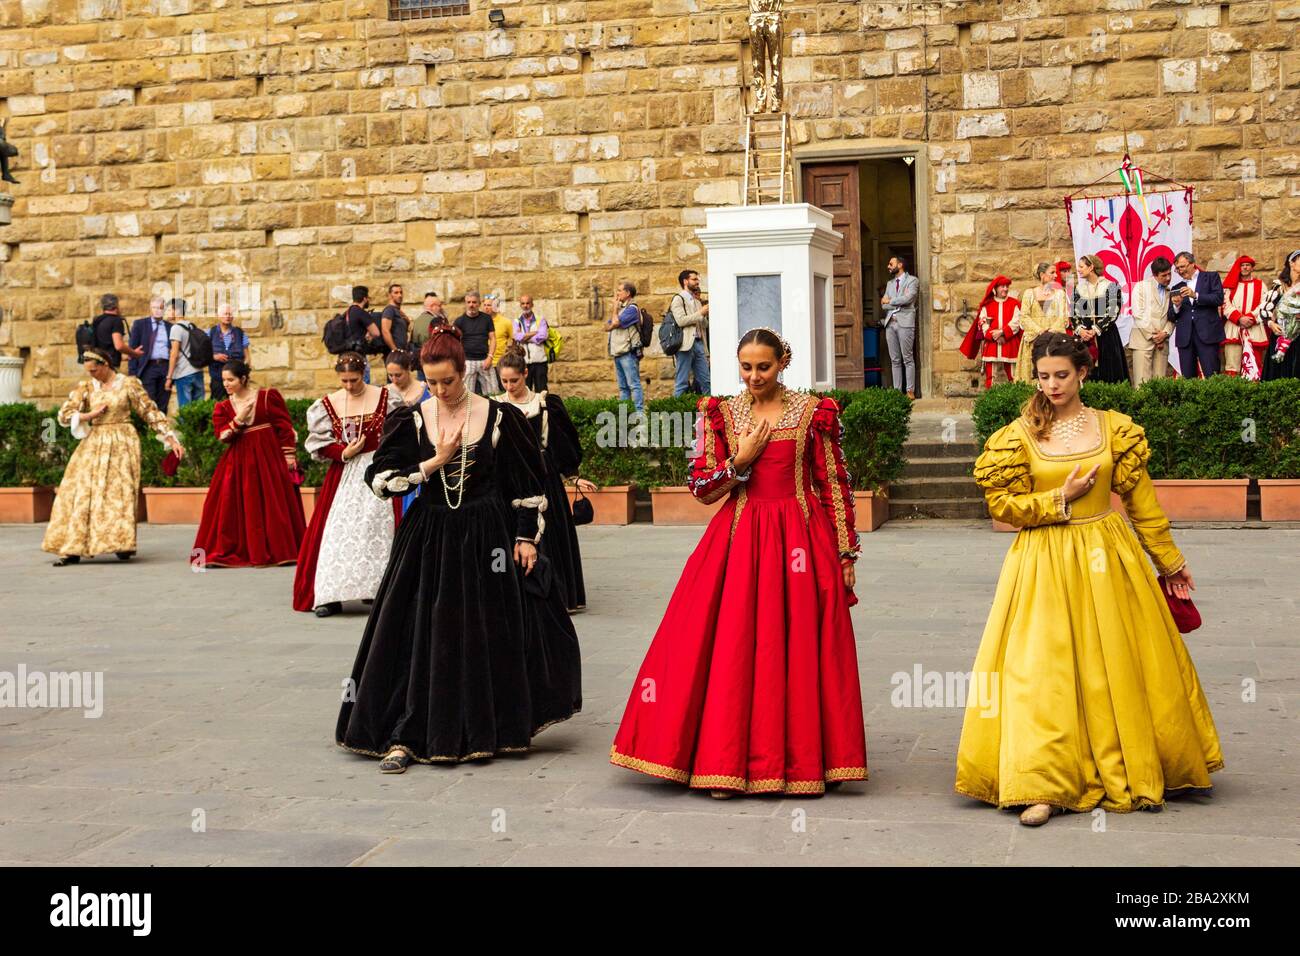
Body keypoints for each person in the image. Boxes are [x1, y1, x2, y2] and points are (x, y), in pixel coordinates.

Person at [956, 331, 1222, 825]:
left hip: (1107, 557)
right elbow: (1002, 506)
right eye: (1043, 376)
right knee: (1040, 672)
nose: (1052, 385)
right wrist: (1061, 498)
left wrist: (1169, 561)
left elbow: (1143, 506)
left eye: (1061, 375)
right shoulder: (1019, 435)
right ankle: (1041, 782)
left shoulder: (1114, 429)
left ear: (1082, 373)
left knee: (1117, 665)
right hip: (1042, 560)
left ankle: (1133, 761)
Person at [609, 328, 867, 797]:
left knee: (792, 651)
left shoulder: (813, 412)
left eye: (763, 367)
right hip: (739, 540)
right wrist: (740, 460)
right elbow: (703, 489)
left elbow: (832, 482)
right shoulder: (720, 413)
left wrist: (845, 551)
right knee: (734, 649)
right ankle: (723, 763)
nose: (753, 377)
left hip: (801, 543)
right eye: (745, 367)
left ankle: (796, 763)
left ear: (782, 362)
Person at [335, 327, 582, 771]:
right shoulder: (413, 418)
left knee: (482, 630)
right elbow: (380, 480)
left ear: (463, 372)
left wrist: (526, 538)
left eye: (447, 381)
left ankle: (483, 727)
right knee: (416, 630)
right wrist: (434, 462)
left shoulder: (500, 417)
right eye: (431, 382)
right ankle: (406, 732)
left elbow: (528, 486)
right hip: (427, 538)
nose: (440, 390)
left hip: (487, 537)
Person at [42, 347, 186, 566]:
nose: (91, 374)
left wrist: (170, 437)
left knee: (119, 493)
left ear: (105, 365)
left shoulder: (128, 384)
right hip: (94, 441)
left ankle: (120, 542)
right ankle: (72, 546)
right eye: (88, 370)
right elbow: (64, 415)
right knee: (81, 491)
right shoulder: (87, 387)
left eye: (94, 370)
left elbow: (149, 411)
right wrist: (89, 415)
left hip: (123, 440)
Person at [292, 352, 402, 616]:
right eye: (344, 381)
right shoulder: (328, 404)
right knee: (335, 533)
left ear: (363, 372)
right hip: (344, 473)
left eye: (354, 380)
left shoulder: (386, 398)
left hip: (377, 471)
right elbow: (319, 444)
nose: (350, 386)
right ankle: (330, 595)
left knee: (377, 531)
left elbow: (401, 432)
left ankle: (375, 589)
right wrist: (343, 452)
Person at [495, 344, 595, 612]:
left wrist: (572, 476)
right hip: (510, 480)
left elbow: (563, 444)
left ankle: (559, 594)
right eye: (504, 381)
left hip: (545, 475)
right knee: (512, 537)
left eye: (513, 380)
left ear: (525, 373)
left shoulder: (545, 403)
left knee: (552, 534)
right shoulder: (496, 407)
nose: (509, 386)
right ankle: (515, 596)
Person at [192, 360, 305, 567]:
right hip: (238, 462)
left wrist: (289, 456)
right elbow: (223, 436)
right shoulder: (224, 407)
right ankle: (242, 550)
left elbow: (284, 427)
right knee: (236, 504)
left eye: (231, 380)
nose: (226, 384)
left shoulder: (267, 397)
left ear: (243, 378)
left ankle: (279, 549)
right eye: (223, 380)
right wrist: (239, 419)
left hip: (269, 459)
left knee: (273, 503)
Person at [383, 349, 430, 517]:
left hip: (421, 450)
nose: (394, 380)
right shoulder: (385, 393)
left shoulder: (426, 389)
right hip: (396, 452)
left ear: (409, 368)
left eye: (398, 375)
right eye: (391, 375)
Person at [1071, 254, 1127, 383]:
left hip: (1106, 337)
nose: (1078, 269)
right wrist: (1080, 330)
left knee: (1109, 372)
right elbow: (1073, 313)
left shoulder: (1111, 287)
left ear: (1091, 267)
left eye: (1081, 266)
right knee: (1087, 371)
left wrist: (1096, 329)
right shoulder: (1078, 289)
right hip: (1085, 338)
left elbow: (1113, 313)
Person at [1169, 251, 1225, 379]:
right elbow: (1171, 316)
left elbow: (1218, 299)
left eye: (1182, 267)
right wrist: (1176, 306)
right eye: (1177, 269)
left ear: (1192, 264)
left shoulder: (1211, 277)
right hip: (1185, 338)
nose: (1180, 271)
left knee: (1213, 375)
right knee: (1188, 378)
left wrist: (1196, 295)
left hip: (1207, 334)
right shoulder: (1176, 287)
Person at [1012, 262, 1070, 383]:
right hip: (1034, 340)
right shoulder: (1029, 293)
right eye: (1052, 272)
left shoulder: (1060, 294)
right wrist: (1040, 331)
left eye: (1056, 272)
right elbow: (1024, 316)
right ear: (1042, 275)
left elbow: (1063, 316)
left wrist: (1051, 332)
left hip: (1054, 341)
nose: (1055, 275)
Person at [1128, 257, 1175, 386]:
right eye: (1164, 275)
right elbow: (1138, 314)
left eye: (1169, 274)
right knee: (1142, 384)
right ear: (1155, 275)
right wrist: (1155, 336)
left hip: (1162, 343)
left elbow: (1172, 316)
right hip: (1143, 341)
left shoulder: (1170, 291)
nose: (1168, 278)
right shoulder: (1141, 287)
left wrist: (1165, 333)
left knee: (1160, 384)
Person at [1222, 255, 1267, 380]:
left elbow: (1265, 304)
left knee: (1254, 363)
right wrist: (1239, 318)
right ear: (1239, 268)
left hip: (1254, 328)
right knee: (1232, 364)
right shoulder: (1231, 285)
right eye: (1242, 265)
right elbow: (1225, 304)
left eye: (1248, 265)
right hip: (1234, 328)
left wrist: (1251, 318)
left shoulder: (1260, 284)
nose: (1245, 267)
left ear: (1252, 268)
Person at [880, 255, 918, 397]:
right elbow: (883, 306)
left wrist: (890, 300)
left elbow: (909, 299)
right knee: (894, 360)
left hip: (905, 323)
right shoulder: (890, 284)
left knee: (907, 358)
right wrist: (893, 301)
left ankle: (910, 391)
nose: (888, 266)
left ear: (900, 265)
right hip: (890, 323)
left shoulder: (912, 281)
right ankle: (897, 392)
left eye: (891, 264)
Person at [669, 269, 712, 397]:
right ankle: (675, 414)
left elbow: (704, 326)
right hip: (685, 345)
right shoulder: (678, 299)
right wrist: (700, 313)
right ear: (685, 281)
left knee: (706, 382)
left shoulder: (698, 302)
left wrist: (705, 316)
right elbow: (681, 321)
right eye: (694, 279)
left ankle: (707, 415)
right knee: (682, 382)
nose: (697, 282)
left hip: (699, 345)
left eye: (697, 279)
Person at [605, 280, 644, 413]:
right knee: (623, 387)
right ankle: (625, 415)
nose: (617, 293)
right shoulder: (621, 310)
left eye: (619, 290)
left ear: (627, 293)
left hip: (628, 354)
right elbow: (607, 327)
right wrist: (614, 320)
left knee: (634, 385)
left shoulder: (632, 309)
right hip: (618, 353)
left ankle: (639, 414)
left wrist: (615, 309)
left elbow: (615, 323)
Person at [975, 276, 1021, 389]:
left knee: (1014, 377)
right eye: (1002, 286)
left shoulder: (1014, 303)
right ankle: (990, 402)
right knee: (991, 378)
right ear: (995, 288)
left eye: (1007, 286)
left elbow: (1017, 322)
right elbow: (982, 324)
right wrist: (995, 336)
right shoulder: (987, 305)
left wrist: (1002, 333)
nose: (1005, 289)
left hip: (1009, 343)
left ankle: (1017, 403)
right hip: (991, 344)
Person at [1261, 250, 1300, 381]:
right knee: (1277, 372)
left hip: (1298, 336)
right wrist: (1271, 324)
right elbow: (1264, 311)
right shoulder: (1278, 287)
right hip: (1280, 335)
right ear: (1292, 264)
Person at [128, 296, 171, 409]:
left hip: (165, 367)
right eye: (154, 307)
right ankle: (151, 426)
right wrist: (132, 373)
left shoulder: (170, 327)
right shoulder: (140, 324)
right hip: (147, 367)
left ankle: (162, 425)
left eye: (160, 308)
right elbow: (132, 349)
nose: (157, 310)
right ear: (150, 309)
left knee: (163, 402)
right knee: (149, 402)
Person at [454, 291, 496, 395]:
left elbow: (493, 338)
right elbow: (455, 342)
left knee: (493, 393)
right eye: (469, 302)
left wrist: (490, 357)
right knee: (466, 395)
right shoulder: (459, 321)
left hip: (485, 360)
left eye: (474, 302)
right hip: (467, 362)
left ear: (479, 303)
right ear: (465, 303)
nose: (471, 305)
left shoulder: (487, 319)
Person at [165, 298, 205, 408]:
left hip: (183, 374)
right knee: (199, 410)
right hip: (197, 372)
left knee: (186, 411)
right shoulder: (191, 326)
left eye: (169, 310)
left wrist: (169, 377)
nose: (167, 313)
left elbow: (174, 354)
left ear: (177, 311)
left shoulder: (176, 328)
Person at [208, 302, 250, 401]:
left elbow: (247, 357)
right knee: (218, 404)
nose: (228, 316)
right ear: (218, 316)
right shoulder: (210, 332)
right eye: (225, 314)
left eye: (230, 314)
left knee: (238, 403)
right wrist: (214, 357)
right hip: (218, 379)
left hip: (236, 380)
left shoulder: (240, 333)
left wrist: (245, 374)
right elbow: (203, 354)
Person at [513, 294, 550, 392]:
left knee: (542, 390)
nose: (525, 306)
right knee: (525, 390)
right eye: (523, 303)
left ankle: (543, 408)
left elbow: (542, 337)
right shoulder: (517, 321)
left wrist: (524, 337)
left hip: (539, 362)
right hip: (523, 362)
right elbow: (517, 336)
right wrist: (533, 333)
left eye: (528, 303)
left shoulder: (540, 319)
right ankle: (527, 408)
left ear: (532, 304)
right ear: (520, 305)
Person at [91, 293, 135, 372]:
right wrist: (134, 353)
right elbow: (119, 346)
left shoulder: (97, 320)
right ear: (116, 305)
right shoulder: (116, 321)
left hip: (97, 365)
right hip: (110, 367)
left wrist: (121, 357)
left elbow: (103, 345)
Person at [380, 283, 410, 353]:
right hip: (395, 354)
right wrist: (394, 350)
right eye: (396, 293)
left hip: (402, 352)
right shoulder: (389, 310)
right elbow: (385, 330)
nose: (400, 295)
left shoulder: (398, 311)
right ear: (390, 295)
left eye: (401, 292)